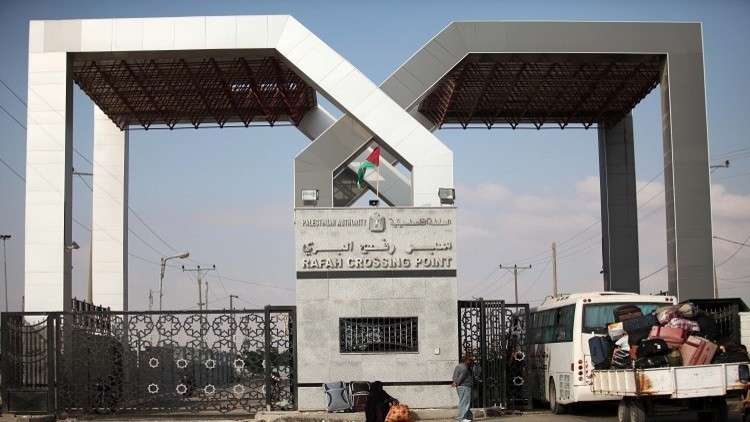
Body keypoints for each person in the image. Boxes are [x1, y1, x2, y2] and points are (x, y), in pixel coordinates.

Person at [452, 355, 474, 422]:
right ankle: (461, 418)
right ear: (466, 360)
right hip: (465, 386)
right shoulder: (464, 368)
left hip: (460, 387)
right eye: (470, 360)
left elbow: (454, 376)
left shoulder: (458, 366)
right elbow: (461, 377)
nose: (471, 362)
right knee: (464, 402)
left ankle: (468, 417)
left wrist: (455, 383)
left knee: (464, 402)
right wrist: (456, 383)